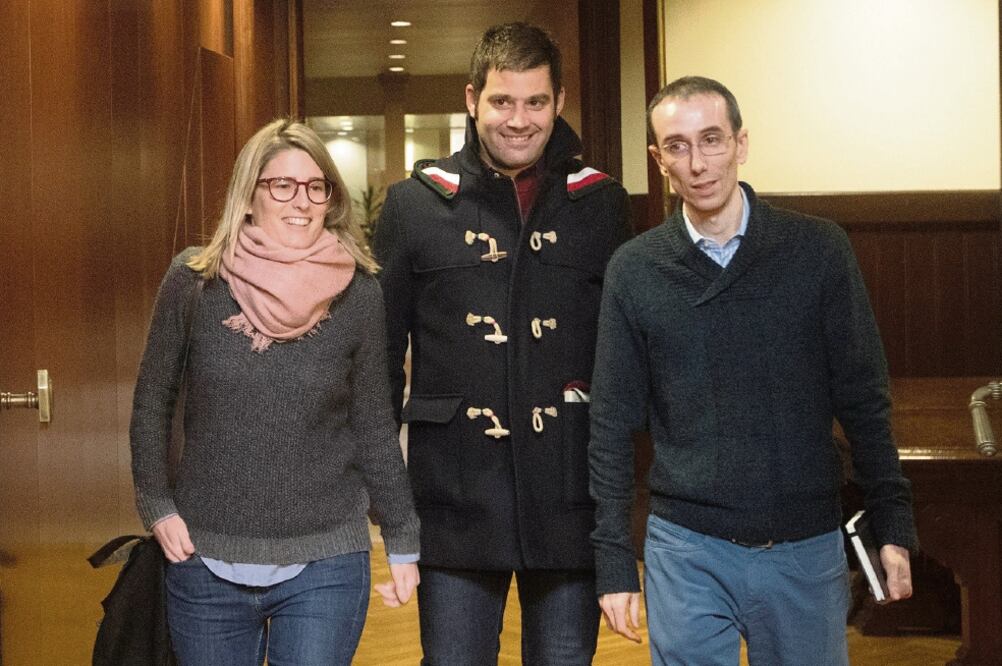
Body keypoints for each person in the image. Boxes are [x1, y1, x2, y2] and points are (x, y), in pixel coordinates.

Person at [588, 76, 917, 665]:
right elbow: (610, 426)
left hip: (803, 545)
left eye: (712, 140)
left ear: (741, 143)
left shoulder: (817, 251)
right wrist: (614, 560)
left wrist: (892, 520)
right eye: (679, 146)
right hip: (684, 546)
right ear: (658, 160)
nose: (698, 162)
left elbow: (864, 398)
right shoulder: (634, 271)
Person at [372, 22, 632, 665]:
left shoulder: (601, 205)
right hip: (453, 497)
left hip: (570, 496)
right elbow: (379, 367)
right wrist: (389, 506)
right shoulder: (412, 206)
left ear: (559, 102)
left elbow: (623, 366)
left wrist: (620, 519)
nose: (519, 120)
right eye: (501, 101)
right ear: (471, 99)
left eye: (535, 102)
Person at [130, 118, 420, 666]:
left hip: (327, 561)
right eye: (282, 185)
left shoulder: (359, 292)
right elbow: (152, 400)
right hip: (205, 558)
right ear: (249, 195)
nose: (302, 201)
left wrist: (402, 536)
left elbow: (374, 425)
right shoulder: (194, 282)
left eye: (317, 187)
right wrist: (156, 505)